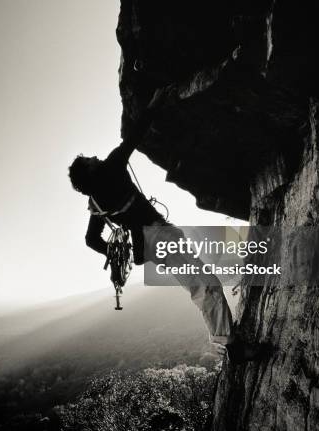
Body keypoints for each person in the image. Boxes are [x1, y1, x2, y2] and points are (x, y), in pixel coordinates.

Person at [68, 90, 265, 364]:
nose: (96, 158)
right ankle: (233, 348)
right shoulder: (110, 169)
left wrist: (115, 252)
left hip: (149, 245)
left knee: (198, 282)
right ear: (90, 171)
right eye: (91, 160)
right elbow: (133, 137)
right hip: (158, 236)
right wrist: (154, 101)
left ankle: (228, 342)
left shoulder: (95, 203)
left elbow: (91, 239)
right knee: (205, 285)